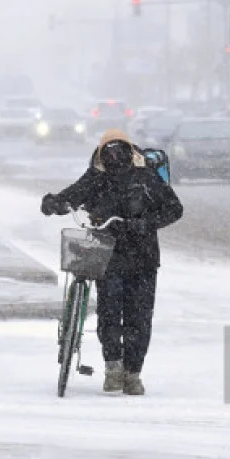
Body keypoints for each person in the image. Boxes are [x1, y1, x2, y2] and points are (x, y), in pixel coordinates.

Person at [40, 129, 183, 396]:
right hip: (107, 256)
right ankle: (113, 368)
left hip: (143, 258)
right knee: (109, 313)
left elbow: (174, 208)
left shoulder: (146, 177)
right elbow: (74, 194)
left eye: (120, 153)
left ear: (130, 153)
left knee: (138, 318)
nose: (115, 158)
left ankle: (133, 373)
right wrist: (54, 203)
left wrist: (144, 224)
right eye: (109, 154)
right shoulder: (97, 177)